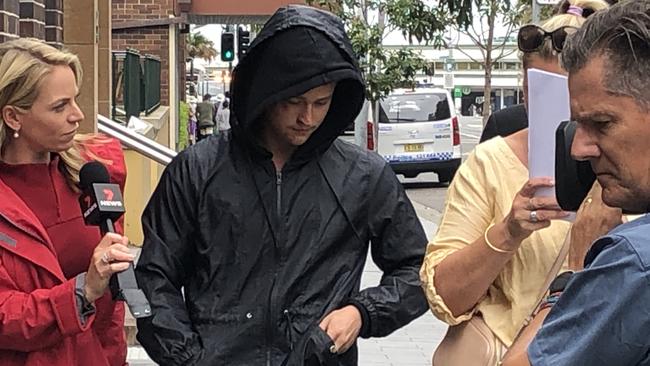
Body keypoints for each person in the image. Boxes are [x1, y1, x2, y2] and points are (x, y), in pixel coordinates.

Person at [135, 5, 428, 366]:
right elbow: (153, 278)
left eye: (322, 103)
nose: (308, 118)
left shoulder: (364, 176)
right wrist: (189, 359)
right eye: (294, 102)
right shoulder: (197, 170)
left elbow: (419, 269)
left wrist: (361, 312)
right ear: (265, 93)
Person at [420, 0, 611, 355]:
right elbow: (444, 296)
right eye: (542, 93)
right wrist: (508, 231)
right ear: (524, 89)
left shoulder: (628, 169)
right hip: (507, 349)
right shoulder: (490, 163)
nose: (566, 119)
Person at [502, 2, 650, 365]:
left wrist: (573, 274)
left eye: (601, 123)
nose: (580, 148)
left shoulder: (632, 262)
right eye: (575, 125)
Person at [0, 38, 133, 365]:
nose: (78, 115)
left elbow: (111, 304)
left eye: (75, 100)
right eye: (60, 106)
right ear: (13, 117)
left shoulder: (95, 173)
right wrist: (81, 292)